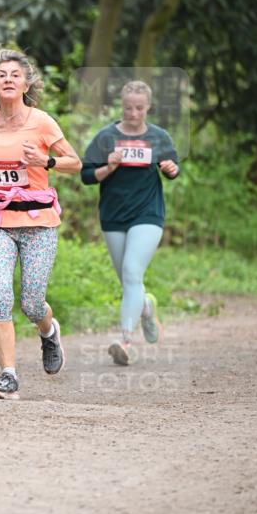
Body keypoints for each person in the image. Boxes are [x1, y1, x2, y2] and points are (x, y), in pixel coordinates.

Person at [0, 49, 81, 400]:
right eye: (2, 75)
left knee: (31, 304)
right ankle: (8, 377)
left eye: (15, 74)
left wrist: (46, 161)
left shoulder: (42, 121)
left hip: (39, 225)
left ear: (26, 83)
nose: (8, 79)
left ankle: (48, 331)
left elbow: (75, 163)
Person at [80, 80, 180, 365]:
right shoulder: (106, 137)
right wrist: (108, 167)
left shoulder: (159, 137)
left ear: (148, 107)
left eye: (139, 108)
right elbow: (86, 176)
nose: (133, 113)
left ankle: (124, 340)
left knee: (132, 271)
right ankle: (146, 308)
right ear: (120, 106)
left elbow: (172, 168)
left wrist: (171, 168)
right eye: (127, 108)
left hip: (148, 214)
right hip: (113, 215)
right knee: (128, 280)